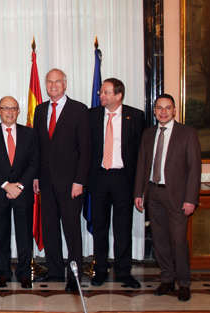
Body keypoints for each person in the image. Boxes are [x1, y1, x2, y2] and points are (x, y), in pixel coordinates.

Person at [134, 94, 201, 302]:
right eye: (159, 108)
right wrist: (139, 193)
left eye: (167, 108)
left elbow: (194, 169)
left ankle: (184, 283)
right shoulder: (148, 133)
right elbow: (142, 165)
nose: (163, 112)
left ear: (174, 111)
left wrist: (191, 198)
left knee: (178, 241)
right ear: (154, 111)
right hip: (154, 194)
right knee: (160, 239)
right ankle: (167, 279)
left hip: (179, 197)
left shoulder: (187, 133)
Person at [32, 68, 90, 292]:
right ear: (45, 85)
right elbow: (38, 147)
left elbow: (85, 149)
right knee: (50, 229)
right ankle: (55, 270)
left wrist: (79, 180)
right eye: (49, 82)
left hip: (71, 184)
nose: (53, 86)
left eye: (57, 82)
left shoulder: (79, 109)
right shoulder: (39, 110)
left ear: (65, 84)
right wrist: (36, 175)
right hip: (45, 182)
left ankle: (73, 276)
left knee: (72, 231)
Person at [88, 78, 145, 288]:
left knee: (123, 228)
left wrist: (139, 186)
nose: (101, 95)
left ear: (118, 95)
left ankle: (123, 272)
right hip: (99, 178)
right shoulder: (92, 115)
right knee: (100, 228)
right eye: (101, 92)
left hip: (123, 179)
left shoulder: (136, 116)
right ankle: (100, 270)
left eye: (105, 92)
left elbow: (141, 153)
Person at [0, 96, 39, 289]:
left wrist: (19, 186)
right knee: (2, 235)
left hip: (23, 193)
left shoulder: (29, 134)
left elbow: (34, 163)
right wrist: (6, 185)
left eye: (14, 108)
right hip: (0, 192)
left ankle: (24, 273)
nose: (10, 112)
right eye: (6, 108)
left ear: (18, 111)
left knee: (24, 235)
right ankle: (4, 273)